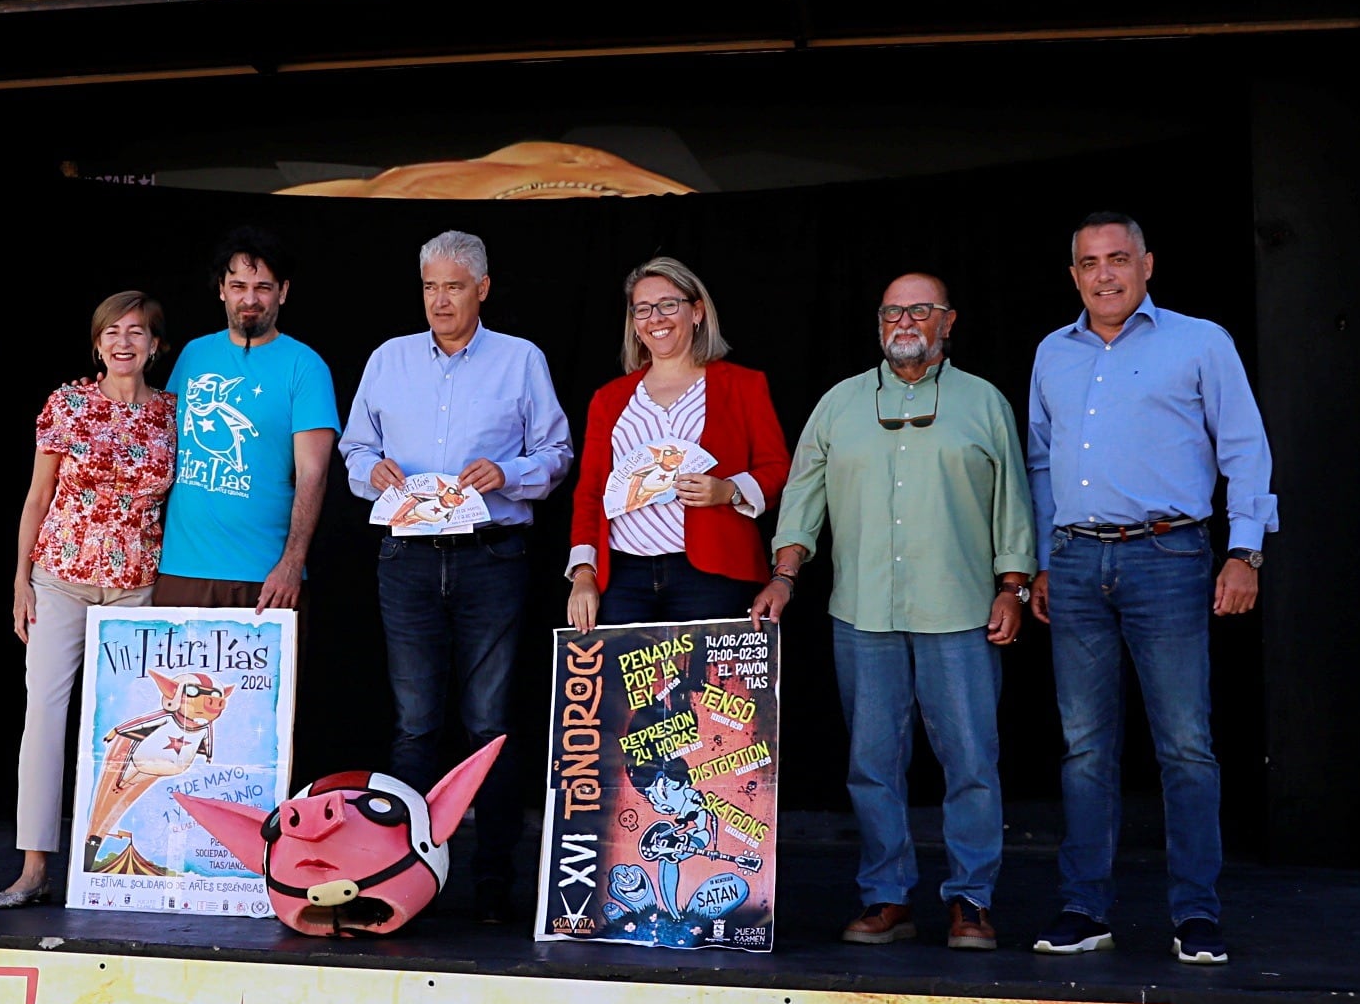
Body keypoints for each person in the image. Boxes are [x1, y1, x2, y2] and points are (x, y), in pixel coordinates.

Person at [1024, 212, 1275, 968]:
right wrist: (1041, 559)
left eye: (1119, 259)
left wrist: (1246, 553)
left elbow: (1245, 449)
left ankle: (1195, 914)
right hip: (1074, 563)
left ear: (1147, 265)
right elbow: (1040, 463)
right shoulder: (1051, 354)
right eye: (1090, 263)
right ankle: (1083, 908)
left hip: (1169, 555)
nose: (1105, 274)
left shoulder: (1200, 341)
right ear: (1074, 276)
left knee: (1187, 747)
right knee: (1084, 750)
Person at [754, 273, 1034, 951]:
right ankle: (887, 895)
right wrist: (785, 577)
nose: (904, 320)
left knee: (971, 761)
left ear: (949, 320)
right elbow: (802, 498)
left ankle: (971, 899)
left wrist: (1013, 587)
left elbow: (1015, 503)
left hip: (962, 610)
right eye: (891, 311)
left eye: (919, 309)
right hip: (863, 612)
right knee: (872, 763)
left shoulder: (983, 403)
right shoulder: (840, 404)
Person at [342, 230, 573, 908]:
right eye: (430, 286)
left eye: (453, 286)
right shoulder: (389, 359)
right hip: (406, 558)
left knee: (488, 721)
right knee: (414, 724)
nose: (439, 300)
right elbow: (356, 449)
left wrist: (511, 472)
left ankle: (494, 874)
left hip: (491, 556)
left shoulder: (520, 359)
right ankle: (398, 876)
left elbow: (558, 454)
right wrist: (372, 473)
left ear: (483, 289)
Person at [0, 291, 175, 907]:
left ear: (156, 345)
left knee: (132, 730)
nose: (123, 342)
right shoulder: (67, 404)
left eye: (137, 331)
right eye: (111, 332)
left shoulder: (174, 415)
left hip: (138, 585)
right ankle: (33, 865)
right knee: (44, 715)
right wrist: (21, 579)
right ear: (97, 344)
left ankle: (119, 862)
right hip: (61, 576)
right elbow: (37, 497)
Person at [564, 257, 787, 625]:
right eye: (643, 309)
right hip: (624, 578)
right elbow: (590, 493)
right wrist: (584, 573)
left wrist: (729, 490)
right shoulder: (609, 398)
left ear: (696, 312)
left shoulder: (743, 386)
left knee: (710, 685)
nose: (656, 318)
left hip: (712, 574)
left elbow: (778, 468)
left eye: (669, 305)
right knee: (627, 684)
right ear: (634, 324)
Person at [155, 227, 338, 610]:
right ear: (222, 289)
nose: (249, 299)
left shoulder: (305, 366)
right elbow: (156, 433)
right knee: (176, 675)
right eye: (238, 286)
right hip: (180, 570)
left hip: (265, 577)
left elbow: (313, 475)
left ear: (283, 292)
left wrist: (291, 564)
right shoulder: (193, 355)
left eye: (263, 287)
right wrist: (101, 394)